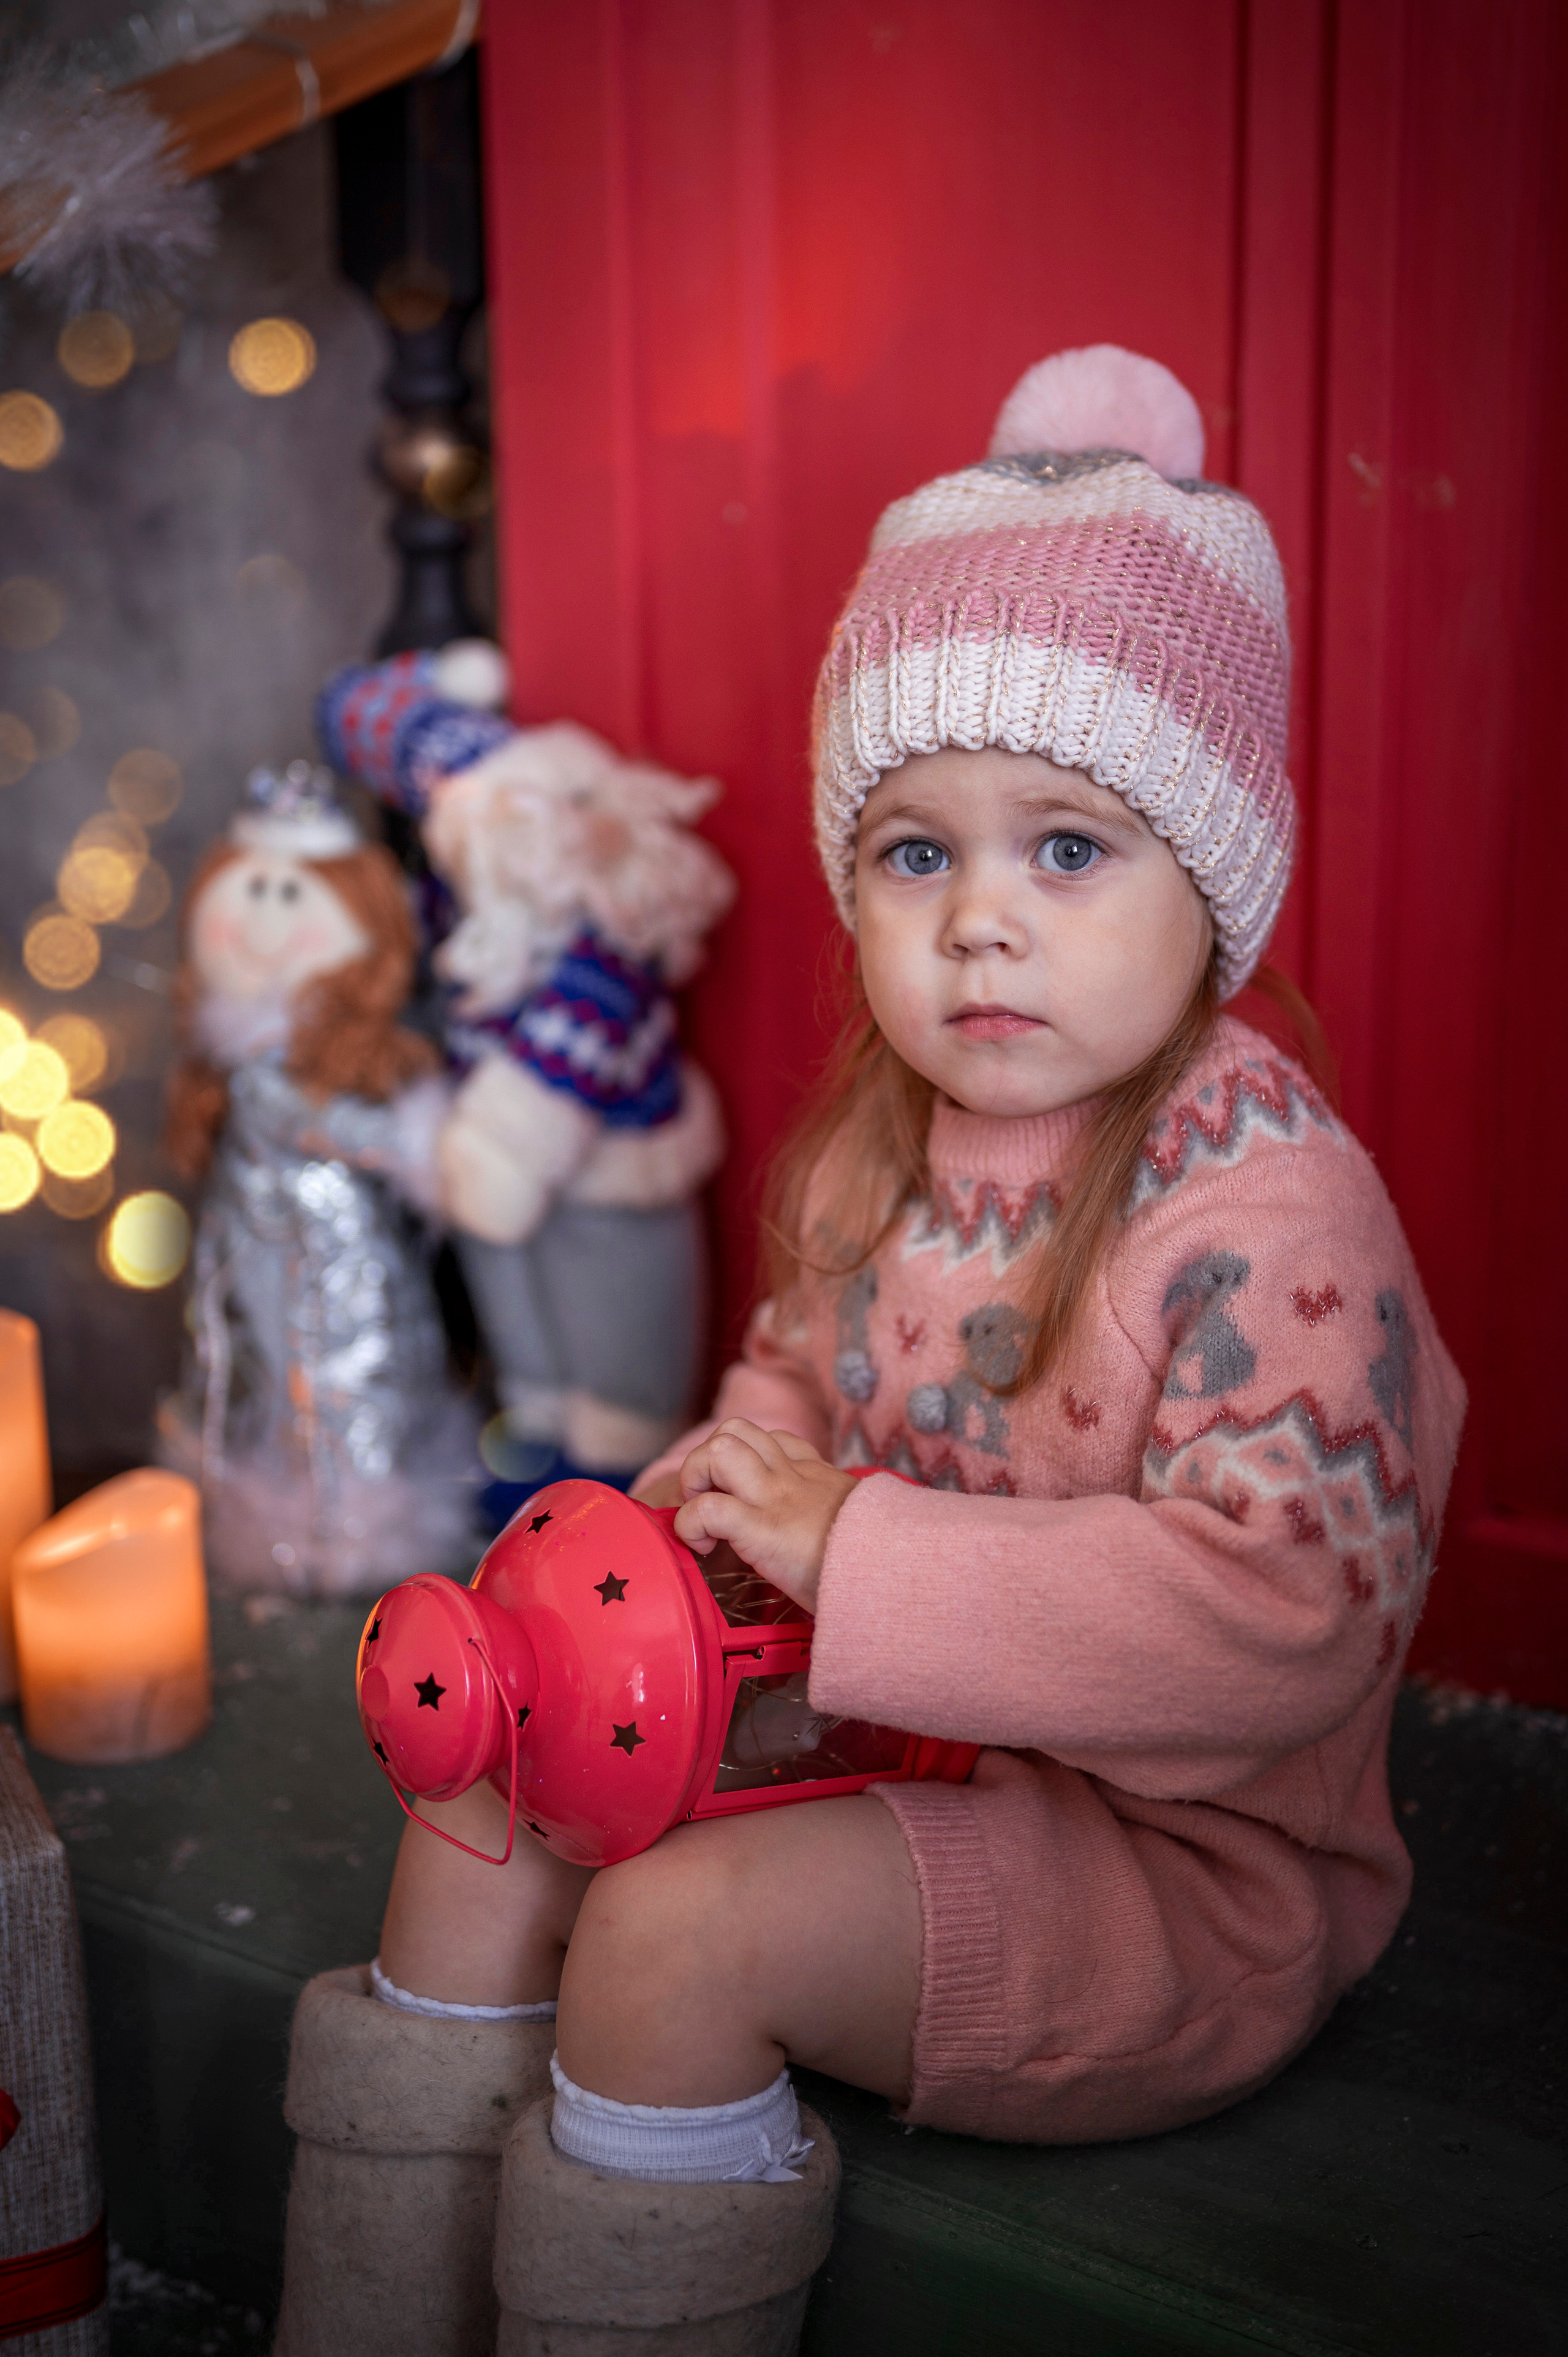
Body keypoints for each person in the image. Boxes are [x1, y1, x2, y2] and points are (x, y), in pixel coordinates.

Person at [279, 346, 1466, 2356]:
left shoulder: (1274, 1220)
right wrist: (707, 1528)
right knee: (491, 1802)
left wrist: (861, 1555)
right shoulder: (876, 1151)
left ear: (1217, 879)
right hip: (877, 1747)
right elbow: (788, 1398)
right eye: (919, 853)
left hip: (1166, 1868)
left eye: (1068, 849)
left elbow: (1284, 1620)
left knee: (668, 1931)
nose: (982, 922)